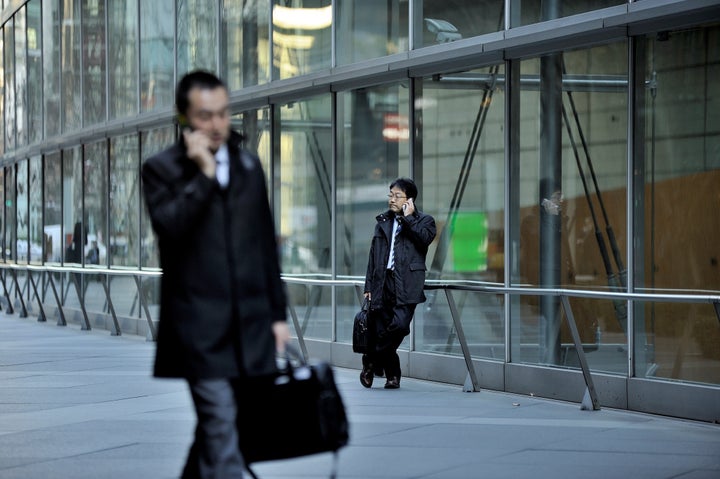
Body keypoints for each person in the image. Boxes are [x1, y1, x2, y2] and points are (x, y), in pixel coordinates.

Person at [141, 70, 290, 479]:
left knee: (226, 429)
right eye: (205, 116)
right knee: (222, 430)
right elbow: (170, 227)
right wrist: (204, 175)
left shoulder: (246, 165)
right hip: (199, 332)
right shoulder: (161, 169)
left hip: (252, 326)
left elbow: (263, 246)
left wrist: (278, 315)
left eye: (223, 114)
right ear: (184, 118)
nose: (217, 125)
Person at [361, 177, 436, 389]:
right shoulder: (383, 222)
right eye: (390, 195)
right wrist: (369, 286)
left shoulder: (424, 221)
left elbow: (424, 240)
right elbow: (373, 256)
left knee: (399, 326)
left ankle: (370, 360)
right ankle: (393, 376)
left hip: (408, 284)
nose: (392, 199)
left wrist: (409, 218)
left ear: (409, 200)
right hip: (383, 283)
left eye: (397, 196)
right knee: (384, 327)